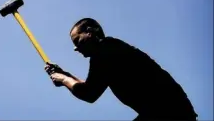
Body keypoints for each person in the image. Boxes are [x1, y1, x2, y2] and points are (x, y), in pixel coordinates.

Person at [45, 18, 198, 121]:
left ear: (91, 31)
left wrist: (64, 80)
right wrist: (66, 74)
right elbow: (91, 86)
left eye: (78, 40)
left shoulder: (104, 51)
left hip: (169, 112)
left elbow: (89, 93)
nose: (76, 48)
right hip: (169, 111)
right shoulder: (109, 49)